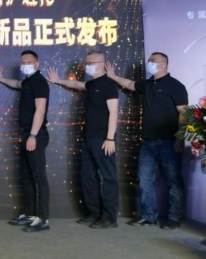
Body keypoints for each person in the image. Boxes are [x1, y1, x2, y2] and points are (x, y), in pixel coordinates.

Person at [105, 52, 187, 230]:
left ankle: (174, 218)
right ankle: (148, 216)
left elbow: (183, 112)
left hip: (169, 142)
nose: (149, 63)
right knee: (144, 181)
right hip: (147, 143)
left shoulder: (176, 86)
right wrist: (112, 76)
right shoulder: (148, 84)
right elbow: (130, 84)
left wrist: (180, 138)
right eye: (149, 60)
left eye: (153, 61)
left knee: (173, 181)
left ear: (163, 64)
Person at [47, 50, 119, 229]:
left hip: (103, 139)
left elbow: (113, 112)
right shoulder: (92, 84)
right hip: (88, 138)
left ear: (102, 64)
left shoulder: (109, 85)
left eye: (91, 63)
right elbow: (76, 84)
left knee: (108, 178)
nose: (88, 66)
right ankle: (95, 213)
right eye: (87, 63)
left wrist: (110, 138)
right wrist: (58, 80)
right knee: (88, 177)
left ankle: (109, 218)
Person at [0, 50, 50, 232]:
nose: (25, 65)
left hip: (35, 135)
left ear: (37, 64)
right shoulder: (28, 81)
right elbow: (17, 84)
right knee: (27, 176)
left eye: (29, 62)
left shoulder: (39, 82)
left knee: (39, 177)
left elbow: (40, 110)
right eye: (23, 62)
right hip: (26, 135)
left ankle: (43, 219)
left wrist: (33, 135)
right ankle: (30, 214)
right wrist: (1, 79)